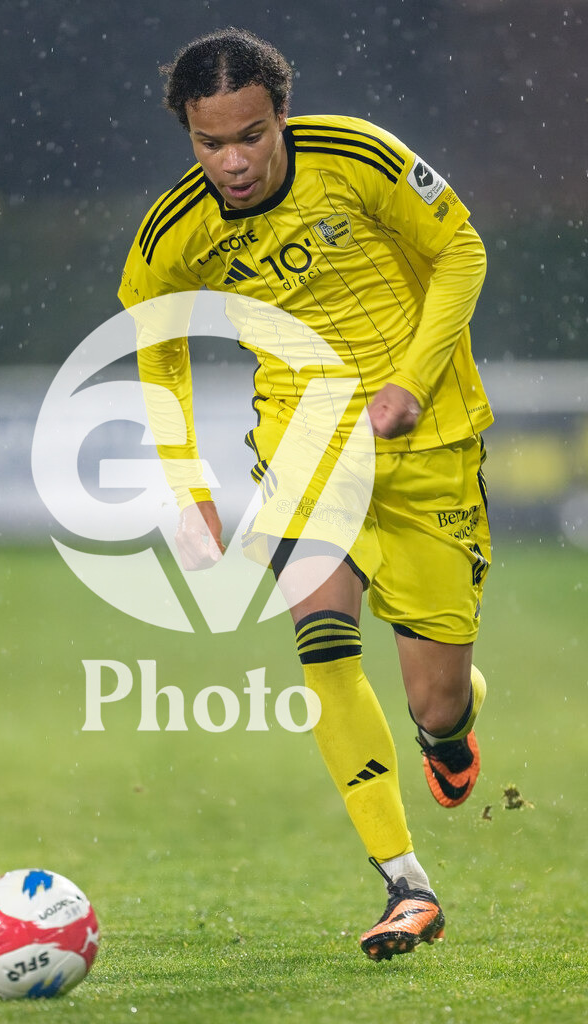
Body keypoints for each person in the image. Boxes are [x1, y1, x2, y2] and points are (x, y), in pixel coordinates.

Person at [118, 27, 492, 962]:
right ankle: (407, 886)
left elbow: (464, 252)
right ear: (188, 136)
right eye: (210, 144)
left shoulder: (358, 157)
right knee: (323, 645)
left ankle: (449, 731)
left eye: (250, 135)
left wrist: (409, 380)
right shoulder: (176, 231)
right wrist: (187, 483)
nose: (233, 162)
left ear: (281, 114)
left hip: (431, 443)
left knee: (434, 698)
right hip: (305, 447)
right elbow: (155, 344)